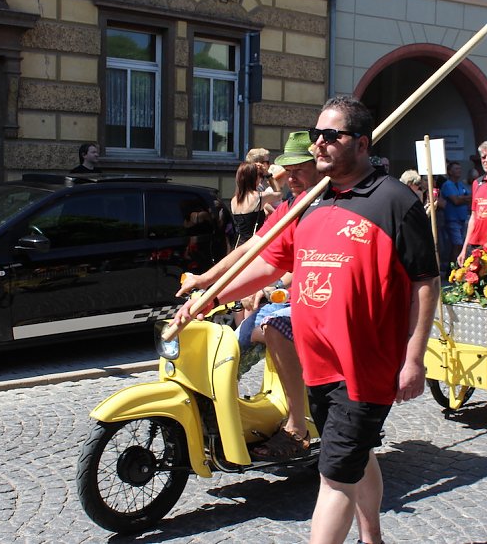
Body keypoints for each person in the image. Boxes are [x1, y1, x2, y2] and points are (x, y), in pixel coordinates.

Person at [176, 97, 439, 544]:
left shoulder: (394, 200)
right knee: (355, 454)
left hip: (365, 367)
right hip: (317, 363)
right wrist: (211, 297)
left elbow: (426, 282)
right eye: (316, 133)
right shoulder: (312, 203)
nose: (319, 142)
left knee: (333, 474)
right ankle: (371, 536)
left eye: (330, 135)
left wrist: (414, 358)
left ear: (360, 142)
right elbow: (266, 265)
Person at [180, 131, 322, 460]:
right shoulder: (291, 204)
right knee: (238, 340)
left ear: (318, 167)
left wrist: (273, 286)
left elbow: (291, 265)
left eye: (298, 169)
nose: (289, 177)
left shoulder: (322, 205)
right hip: (289, 297)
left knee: (273, 324)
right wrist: (207, 282)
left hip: (317, 302)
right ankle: (222, 410)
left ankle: (297, 427)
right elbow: (252, 250)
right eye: (287, 170)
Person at [231, 162, 282, 247]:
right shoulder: (259, 197)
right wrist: (268, 175)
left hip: (239, 245)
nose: (261, 178)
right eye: (260, 175)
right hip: (255, 245)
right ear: (254, 178)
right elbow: (279, 194)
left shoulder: (234, 200)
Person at [441, 161, 472, 264]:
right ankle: (453, 268)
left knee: (459, 245)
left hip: (462, 219)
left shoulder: (461, 184)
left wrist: (461, 198)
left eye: (459, 168)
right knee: (457, 244)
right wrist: (463, 199)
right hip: (452, 219)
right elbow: (456, 201)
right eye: (456, 169)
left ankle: (453, 267)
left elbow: (471, 197)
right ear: (450, 171)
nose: (459, 171)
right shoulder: (447, 185)